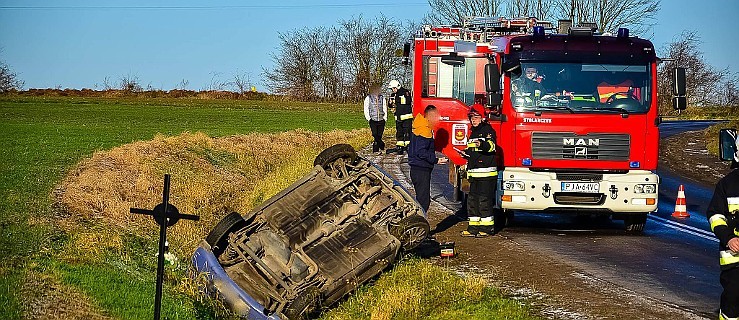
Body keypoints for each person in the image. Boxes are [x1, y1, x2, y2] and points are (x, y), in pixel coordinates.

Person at [707, 136, 739, 320]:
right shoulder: (727, 184)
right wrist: (729, 238)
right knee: (733, 301)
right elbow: (715, 216)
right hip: (734, 259)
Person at [460, 105, 498, 238]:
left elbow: (492, 146)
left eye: (476, 117)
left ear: (482, 118)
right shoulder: (473, 132)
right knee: (472, 201)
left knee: (484, 201)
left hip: (486, 174)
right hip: (474, 173)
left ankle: (487, 229)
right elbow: (472, 151)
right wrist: (465, 153)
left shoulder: (488, 131)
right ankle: (473, 228)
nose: (473, 120)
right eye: (471, 117)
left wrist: (482, 145)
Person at [408, 105, 447, 213]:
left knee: (420, 198)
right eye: (435, 116)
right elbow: (421, 152)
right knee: (423, 201)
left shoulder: (418, 127)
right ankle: (419, 223)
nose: (437, 119)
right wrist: (435, 160)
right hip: (421, 169)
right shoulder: (425, 131)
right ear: (429, 116)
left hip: (416, 168)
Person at [387, 79, 413, 155]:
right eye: (392, 89)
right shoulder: (393, 95)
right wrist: (390, 103)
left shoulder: (405, 92)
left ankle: (409, 146)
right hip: (398, 117)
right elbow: (390, 105)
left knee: (407, 132)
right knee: (399, 132)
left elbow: (408, 101)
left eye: (393, 88)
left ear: (397, 87)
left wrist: (397, 99)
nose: (393, 90)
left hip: (406, 116)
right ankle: (400, 147)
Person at [363, 84, 387, 153]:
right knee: (374, 134)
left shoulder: (382, 98)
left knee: (379, 135)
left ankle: (375, 150)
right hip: (373, 119)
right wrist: (368, 118)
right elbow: (366, 108)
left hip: (381, 119)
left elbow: (384, 107)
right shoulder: (368, 98)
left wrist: (385, 118)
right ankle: (381, 145)